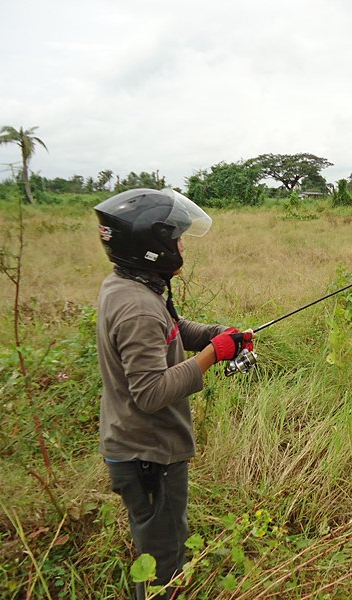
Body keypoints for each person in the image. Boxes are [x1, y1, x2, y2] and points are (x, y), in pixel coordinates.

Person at [93, 188, 252, 598]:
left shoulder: (128, 286)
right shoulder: (137, 306)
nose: (182, 245)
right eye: (175, 238)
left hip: (137, 445)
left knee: (158, 543)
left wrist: (217, 335)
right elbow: (150, 391)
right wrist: (213, 357)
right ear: (152, 247)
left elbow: (171, 329)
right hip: (148, 454)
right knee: (164, 560)